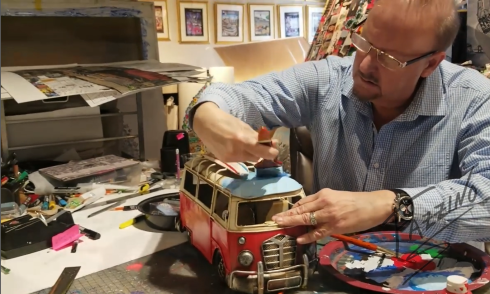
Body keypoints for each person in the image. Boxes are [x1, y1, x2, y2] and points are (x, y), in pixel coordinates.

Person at [190, 0, 490, 246]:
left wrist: (391, 205)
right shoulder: (328, 79)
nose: (365, 65)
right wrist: (207, 116)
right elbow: (237, 96)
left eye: (389, 59)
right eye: (364, 42)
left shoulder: (474, 98)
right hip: (332, 272)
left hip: (431, 277)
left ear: (431, 63)